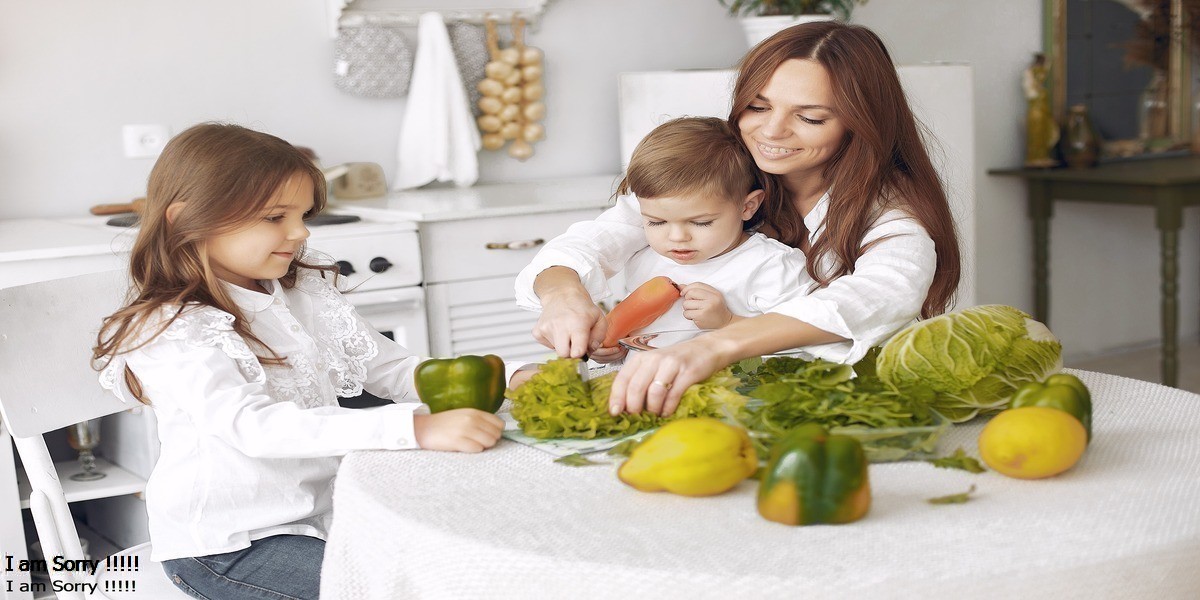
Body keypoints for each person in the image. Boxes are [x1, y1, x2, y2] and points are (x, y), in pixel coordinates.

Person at [91, 123, 509, 600]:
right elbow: (255, 426)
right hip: (230, 547)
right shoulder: (174, 327)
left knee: (468, 562)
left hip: (329, 514)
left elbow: (390, 369)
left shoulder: (299, 292)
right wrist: (414, 429)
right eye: (274, 216)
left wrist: (512, 377)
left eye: (303, 214)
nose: (300, 231)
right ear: (187, 220)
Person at [514, 21, 961, 418]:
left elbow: (877, 295)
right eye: (759, 106)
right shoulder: (718, 172)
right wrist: (563, 294)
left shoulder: (890, 214)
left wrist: (717, 342)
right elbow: (600, 238)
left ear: (860, 124)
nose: (771, 132)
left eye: (809, 117)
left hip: (835, 406)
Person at [518, 116, 809, 363]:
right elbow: (579, 247)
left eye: (701, 222)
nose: (676, 237)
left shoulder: (772, 265)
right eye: (656, 221)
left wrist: (728, 323)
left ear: (748, 206)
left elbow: (807, 346)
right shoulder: (646, 251)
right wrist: (620, 346)